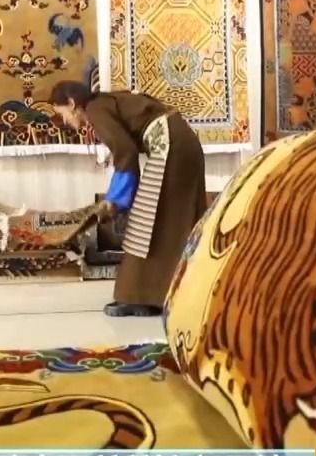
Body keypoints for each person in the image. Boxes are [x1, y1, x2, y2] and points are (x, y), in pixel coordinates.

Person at [50, 81, 207, 317]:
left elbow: (126, 152)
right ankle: (165, 294)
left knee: (147, 223)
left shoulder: (95, 109)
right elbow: (127, 150)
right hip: (180, 146)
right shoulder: (104, 104)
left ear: (72, 104)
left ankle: (139, 297)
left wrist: (115, 199)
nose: (65, 121)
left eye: (62, 114)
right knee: (171, 225)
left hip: (172, 148)